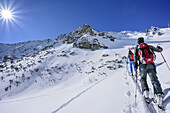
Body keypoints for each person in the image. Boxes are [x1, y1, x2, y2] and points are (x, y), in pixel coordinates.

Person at [134, 37, 163, 107]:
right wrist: (160, 48)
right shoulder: (148, 46)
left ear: (138, 42)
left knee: (143, 79)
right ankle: (158, 94)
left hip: (142, 66)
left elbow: (135, 56)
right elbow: (159, 50)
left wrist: (136, 64)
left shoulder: (137, 48)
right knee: (154, 79)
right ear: (143, 41)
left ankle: (146, 92)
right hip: (151, 65)